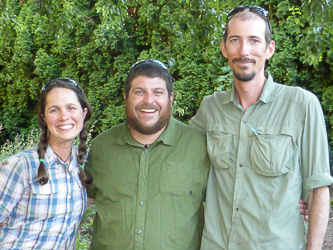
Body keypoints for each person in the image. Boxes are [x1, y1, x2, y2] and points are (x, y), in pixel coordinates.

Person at [189, 5, 333, 250]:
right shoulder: (210, 109)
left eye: (254, 40)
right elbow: (176, 155)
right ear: (224, 48)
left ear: (269, 49)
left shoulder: (301, 105)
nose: (244, 50)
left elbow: (318, 188)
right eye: (235, 40)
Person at [86, 59, 210, 249]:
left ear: (171, 98)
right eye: (139, 92)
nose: (149, 101)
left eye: (158, 92)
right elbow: (74, 206)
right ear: (126, 97)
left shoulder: (199, 146)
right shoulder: (101, 148)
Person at [0, 78, 92, 249]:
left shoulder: (84, 165)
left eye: (71, 108)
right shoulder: (21, 166)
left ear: (83, 113)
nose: (64, 116)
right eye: (54, 110)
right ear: (44, 117)